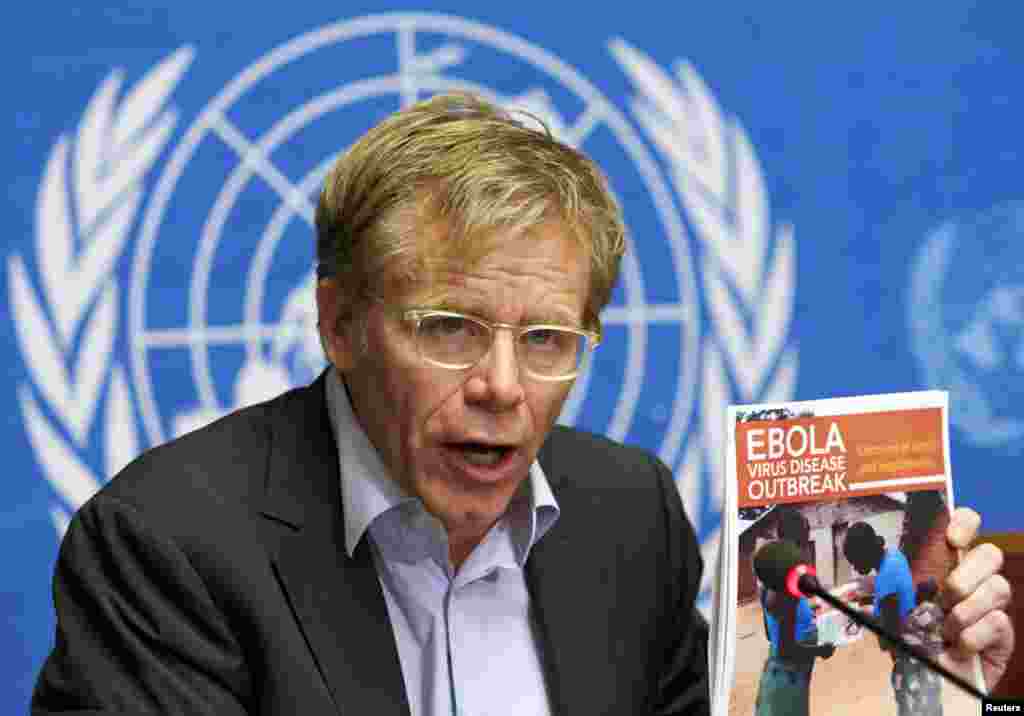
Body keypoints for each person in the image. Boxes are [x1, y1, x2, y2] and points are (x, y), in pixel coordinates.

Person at [31, 93, 1013, 715]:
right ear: (340, 325)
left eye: (545, 340)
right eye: (448, 326)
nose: (502, 386)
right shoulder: (167, 541)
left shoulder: (627, 511)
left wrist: (929, 683)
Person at [844, 523, 951, 716]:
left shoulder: (885, 578)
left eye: (854, 560)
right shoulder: (894, 556)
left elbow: (888, 640)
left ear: (864, 553)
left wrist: (864, 618)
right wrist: (869, 603)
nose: (854, 566)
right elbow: (897, 602)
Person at [754, 511, 836, 716]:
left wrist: (808, 614)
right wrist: (820, 650)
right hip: (787, 682)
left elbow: (771, 633)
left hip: (780, 677)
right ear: (796, 540)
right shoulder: (784, 584)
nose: (806, 546)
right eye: (804, 540)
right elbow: (786, 650)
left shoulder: (772, 577)